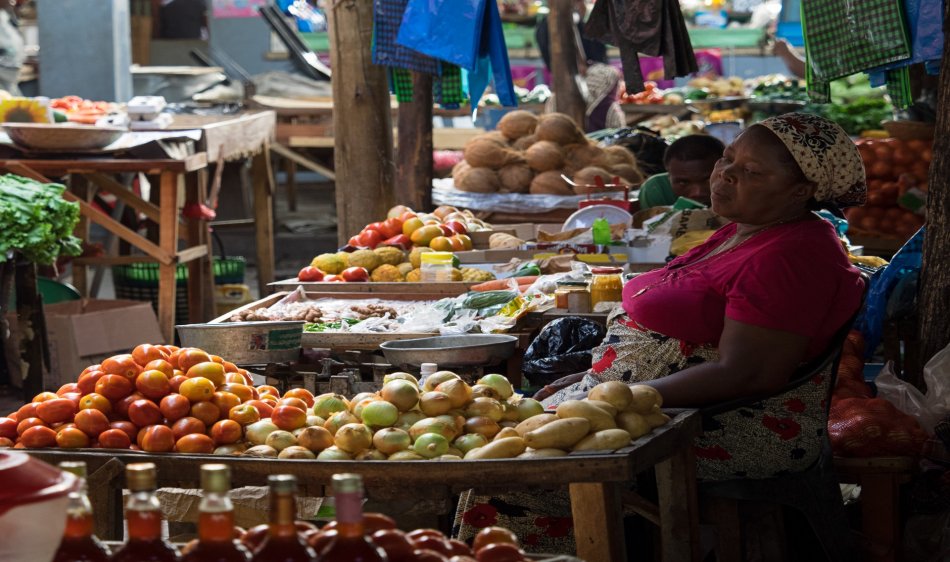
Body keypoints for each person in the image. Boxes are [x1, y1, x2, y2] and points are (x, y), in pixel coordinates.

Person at [455, 113, 867, 551]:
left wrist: (617, 397)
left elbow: (749, 374)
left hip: (727, 424)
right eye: (727, 158)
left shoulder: (791, 256)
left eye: (750, 172)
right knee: (488, 447)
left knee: (514, 472)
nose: (725, 174)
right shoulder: (746, 229)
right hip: (652, 402)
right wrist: (588, 380)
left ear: (801, 191)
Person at [638, 134, 725, 209]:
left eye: (708, 180)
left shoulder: (738, 189)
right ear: (669, 178)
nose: (697, 193)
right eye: (682, 183)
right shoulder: (657, 189)